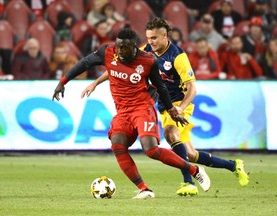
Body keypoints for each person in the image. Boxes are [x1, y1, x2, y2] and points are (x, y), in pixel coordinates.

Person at [83, 18, 250, 196]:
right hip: (163, 105)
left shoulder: (178, 57)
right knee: (190, 154)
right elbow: (121, 65)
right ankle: (234, 165)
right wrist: (96, 82)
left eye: (154, 38)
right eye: (148, 38)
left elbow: (192, 88)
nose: (150, 42)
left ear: (165, 36)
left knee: (170, 134)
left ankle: (188, 183)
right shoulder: (145, 50)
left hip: (179, 103)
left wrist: (181, 107)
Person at [52, 28, 211, 199]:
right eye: (119, 47)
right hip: (122, 111)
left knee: (151, 150)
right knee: (117, 145)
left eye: (124, 48)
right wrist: (63, 82)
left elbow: (161, 87)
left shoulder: (147, 61)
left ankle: (194, 170)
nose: (120, 51)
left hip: (143, 108)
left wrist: (172, 109)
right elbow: (84, 63)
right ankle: (144, 189)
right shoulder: (108, 52)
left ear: (134, 47)